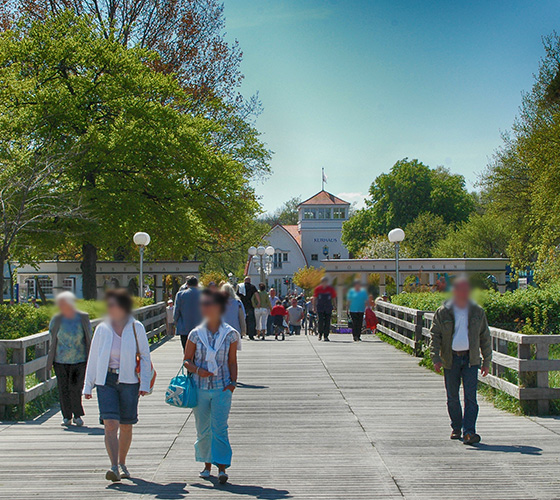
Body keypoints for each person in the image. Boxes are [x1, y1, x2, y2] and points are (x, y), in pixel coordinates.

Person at [83, 289, 152, 482]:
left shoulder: (136, 327)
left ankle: (122, 463)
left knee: (126, 425)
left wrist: (144, 382)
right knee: (110, 424)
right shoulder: (102, 329)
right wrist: (88, 385)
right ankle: (113, 466)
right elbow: (94, 357)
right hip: (106, 381)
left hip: (130, 381)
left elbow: (145, 356)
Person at [183, 289, 238, 484]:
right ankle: (206, 465)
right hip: (200, 388)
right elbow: (187, 360)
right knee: (203, 429)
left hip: (222, 387)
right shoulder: (195, 334)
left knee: (220, 428)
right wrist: (198, 370)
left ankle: (221, 467)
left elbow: (232, 361)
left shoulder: (230, 334)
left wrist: (232, 383)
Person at [430, 276, 492, 445]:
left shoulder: (478, 312)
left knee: (471, 398)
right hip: (451, 359)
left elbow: (485, 337)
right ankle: (457, 427)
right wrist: (435, 357)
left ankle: (469, 431)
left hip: (471, 359)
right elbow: (435, 335)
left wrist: (487, 361)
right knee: (452, 397)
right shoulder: (443, 311)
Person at [47, 291, 92, 427]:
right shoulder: (57, 318)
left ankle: (77, 415)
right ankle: (67, 416)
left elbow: (89, 335)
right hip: (60, 360)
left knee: (76, 388)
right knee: (63, 388)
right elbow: (52, 334)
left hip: (79, 359)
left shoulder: (83, 317)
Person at [174, 276, 202, 352]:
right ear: (197, 284)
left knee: (186, 350)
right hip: (200, 328)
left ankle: (187, 362)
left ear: (187, 284)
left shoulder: (180, 295)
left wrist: (176, 322)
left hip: (184, 328)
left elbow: (176, 311)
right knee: (198, 351)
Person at [312, 277, 337, 342]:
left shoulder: (330, 289)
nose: (324, 284)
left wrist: (335, 305)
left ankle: (326, 335)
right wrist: (314, 307)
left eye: (326, 282)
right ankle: (320, 333)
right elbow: (315, 298)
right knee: (320, 321)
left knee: (327, 322)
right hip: (320, 307)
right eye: (323, 282)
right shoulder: (318, 289)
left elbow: (333, 298)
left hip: (328, 307)